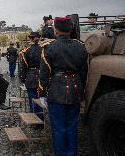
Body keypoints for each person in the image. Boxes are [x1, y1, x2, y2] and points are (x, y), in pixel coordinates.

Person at [40, 17, 88, 156]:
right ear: (71, 29)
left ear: (56, 30)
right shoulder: (80, 46)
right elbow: (84, 72)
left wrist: (42, 94)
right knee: (72, 127)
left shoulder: (49, 47)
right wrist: (81, 89)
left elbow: (44, 73)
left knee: (58, 128)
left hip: (56, 91)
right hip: (75, 91)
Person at [19, 31, 44, 128]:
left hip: (31, 76)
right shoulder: (44, 49)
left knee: (32, 99)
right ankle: (42, 120)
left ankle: (35, 122)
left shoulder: (27, 51)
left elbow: (24, 66)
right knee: (41, 99)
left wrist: (23, 78)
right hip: (42, 75)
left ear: (30, 39)